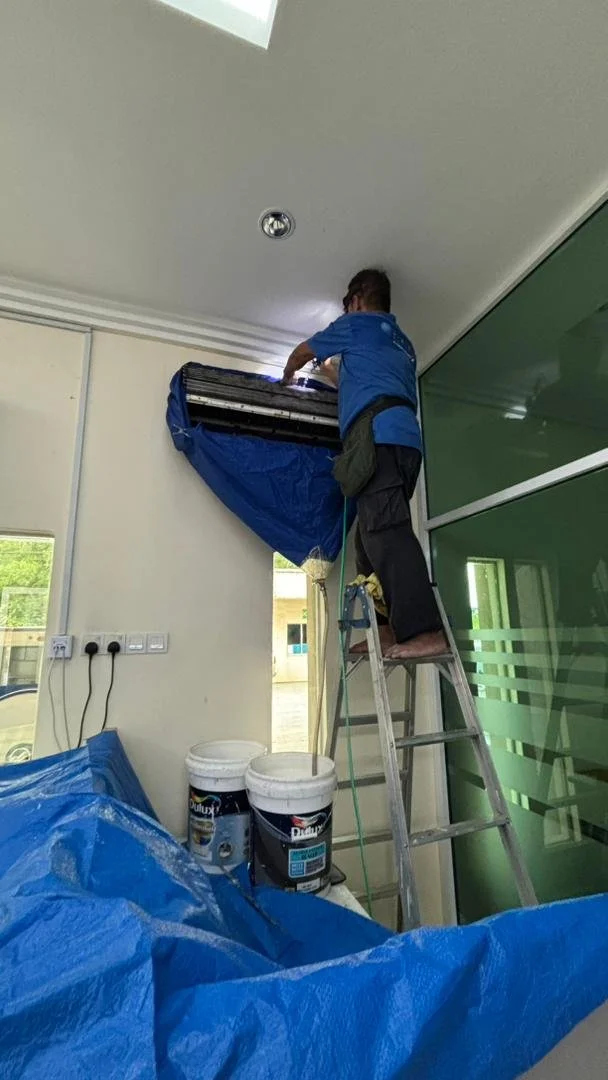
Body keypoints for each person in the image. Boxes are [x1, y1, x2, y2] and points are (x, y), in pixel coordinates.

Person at [280, 268, 447, 659]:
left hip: (380, 440)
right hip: (402, 443)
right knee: (367, 543)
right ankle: (389, 631)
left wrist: (288, 373)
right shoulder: (401, 343)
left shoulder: (356, 325)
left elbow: (303, 350)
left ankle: (425, 630)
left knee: (387, 532)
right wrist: (332, 373)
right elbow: (370, 385)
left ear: (355, 300)